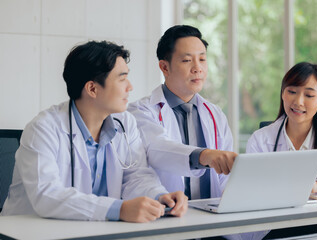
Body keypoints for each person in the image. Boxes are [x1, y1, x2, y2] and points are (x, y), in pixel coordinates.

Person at [1, 41, 187, 222]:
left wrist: (159, 196)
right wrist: (118, 209)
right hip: (29, 232)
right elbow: (47, 195)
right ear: (92, 88)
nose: (130, 87)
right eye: (122, 78)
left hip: (93, 231)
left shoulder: (125, 123)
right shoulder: (43, 129)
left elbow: (136, 176)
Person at [128, 25, 267, 240]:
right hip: (165, 226)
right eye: (187, 60)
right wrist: (204, 156)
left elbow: (225, 178)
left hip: (213, 228)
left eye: (202, 59)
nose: (197, 68)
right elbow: (159, 147)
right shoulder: (140, 112)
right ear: (164, 67)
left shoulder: (215, 114)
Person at [246, 62, 317, 238]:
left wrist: (316, 186)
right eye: (292, 92)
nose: (298, 102)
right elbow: (249, 188)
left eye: (309, 95)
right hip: (274, 226)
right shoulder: (260, 139)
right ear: (283, 93)